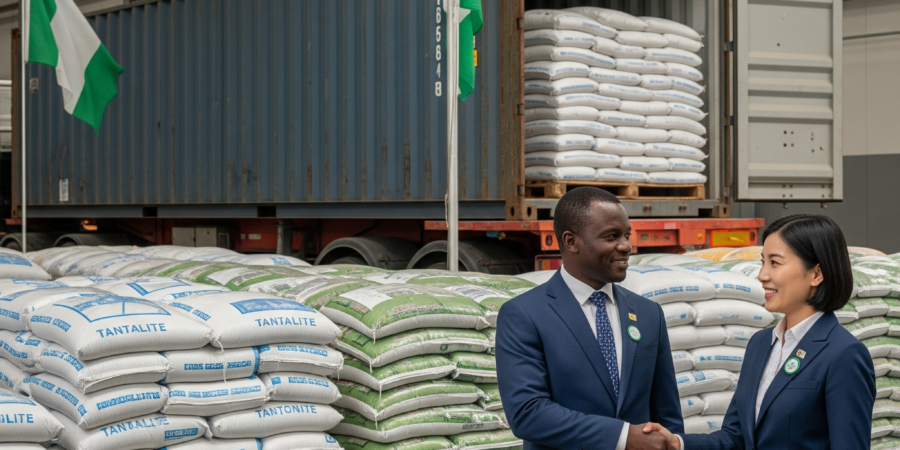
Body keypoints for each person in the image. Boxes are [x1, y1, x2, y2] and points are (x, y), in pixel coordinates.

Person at [643, 214, 876, 449]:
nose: (762, 275)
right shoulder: (761, 344)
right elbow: (736, 437)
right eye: (762, 262)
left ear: (816, 274)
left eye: (775, 263)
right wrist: (678, 443)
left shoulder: (843, 355)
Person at [496, 187, 683, 450]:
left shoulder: (648, 313)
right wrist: (622, 437)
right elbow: (528, 413)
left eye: (627, 235)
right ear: (571, 241)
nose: (626, 246)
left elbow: (667, 414)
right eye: (612, 236)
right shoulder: (524, 315)